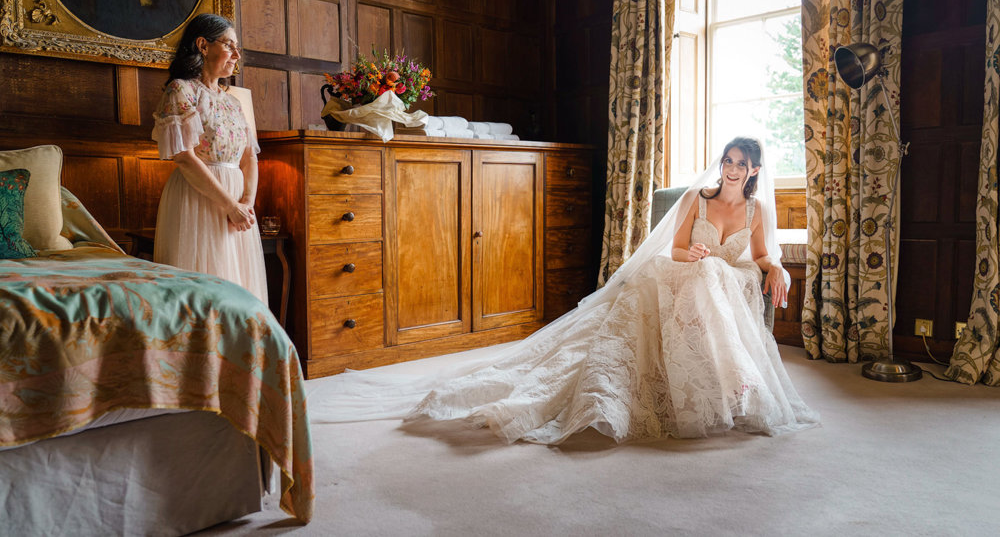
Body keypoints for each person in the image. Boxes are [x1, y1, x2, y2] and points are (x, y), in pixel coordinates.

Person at [309, 136, 819, 444]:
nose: (731, 169)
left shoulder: (757, 210)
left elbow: (760, 255)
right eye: (727, 160)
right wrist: (698, 257)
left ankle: (735, 386)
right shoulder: (697, 199)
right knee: (705, 275)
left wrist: (777, 267)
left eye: (740, 164)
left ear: (753, 171)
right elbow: (678, 249)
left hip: (718, 286)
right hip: (685, 276)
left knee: (722, 276)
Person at [151, 13, 268, 305]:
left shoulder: (233, 102)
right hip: (198, 197)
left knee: (238, 284)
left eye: (237, 47)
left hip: (238, 204)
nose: (237, 55)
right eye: (229, 45)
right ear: (203, 45)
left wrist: (246, 203)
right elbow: (184, 157)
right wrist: (229, 205)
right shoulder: (181, 90)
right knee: (204, 286)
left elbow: (249, 157)